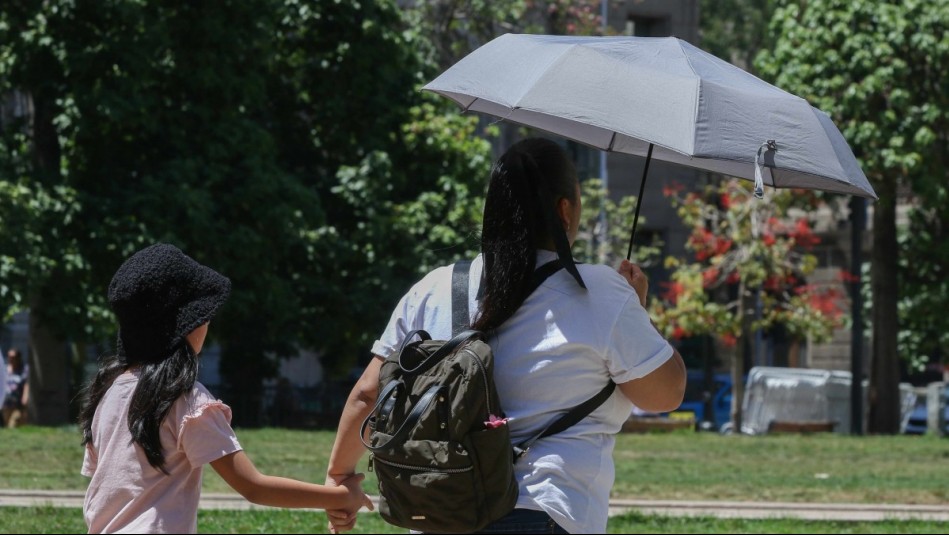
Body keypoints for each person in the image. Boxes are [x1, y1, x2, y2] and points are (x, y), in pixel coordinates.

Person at [325, 138, 686, 534]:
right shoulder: (600, 292)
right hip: (544, 510)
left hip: (441, 515)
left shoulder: (434, 287)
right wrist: (637, 309)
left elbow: (369, 393)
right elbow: (664, 394)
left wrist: (339, 475)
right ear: (564, 211)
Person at [78, 243, 372, 534]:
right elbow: (254, 486)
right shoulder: (185, 400)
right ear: (186, 326)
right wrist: (343, 496)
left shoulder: (107, 392)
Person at [3, 348, 30, 428]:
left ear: (18, 358)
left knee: (13, 424)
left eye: (13, 357)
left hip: (17, 404)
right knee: (6, 425)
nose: (11, 359)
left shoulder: (24, 370)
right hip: (5, 403)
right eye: (9, 357)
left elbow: (26, 384)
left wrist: (25, 397)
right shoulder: (4, 369)